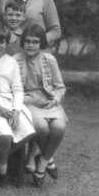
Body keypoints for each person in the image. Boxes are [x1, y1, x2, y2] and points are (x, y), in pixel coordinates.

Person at [14, 24, 67, 187]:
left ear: (41, 43)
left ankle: (43, 161)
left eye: (35, 42)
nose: (31, 45)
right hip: (28, 100)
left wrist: (56, 99)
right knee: (41, 127)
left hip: (48, 100)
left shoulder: (49, 60)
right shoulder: (15, 60)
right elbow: (12, 90)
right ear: (23, 42)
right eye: (27, 41)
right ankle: (48, 159)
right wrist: (27, 99)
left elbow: (60, 86)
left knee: (59, 127)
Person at [0, 22, 35, 185]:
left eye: (1, 42)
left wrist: (16, 109)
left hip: (10, 101)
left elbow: (18, 88)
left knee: (29, 131)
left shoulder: (11, 62)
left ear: (6, 43)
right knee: (5, 135)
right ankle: (3, 164)